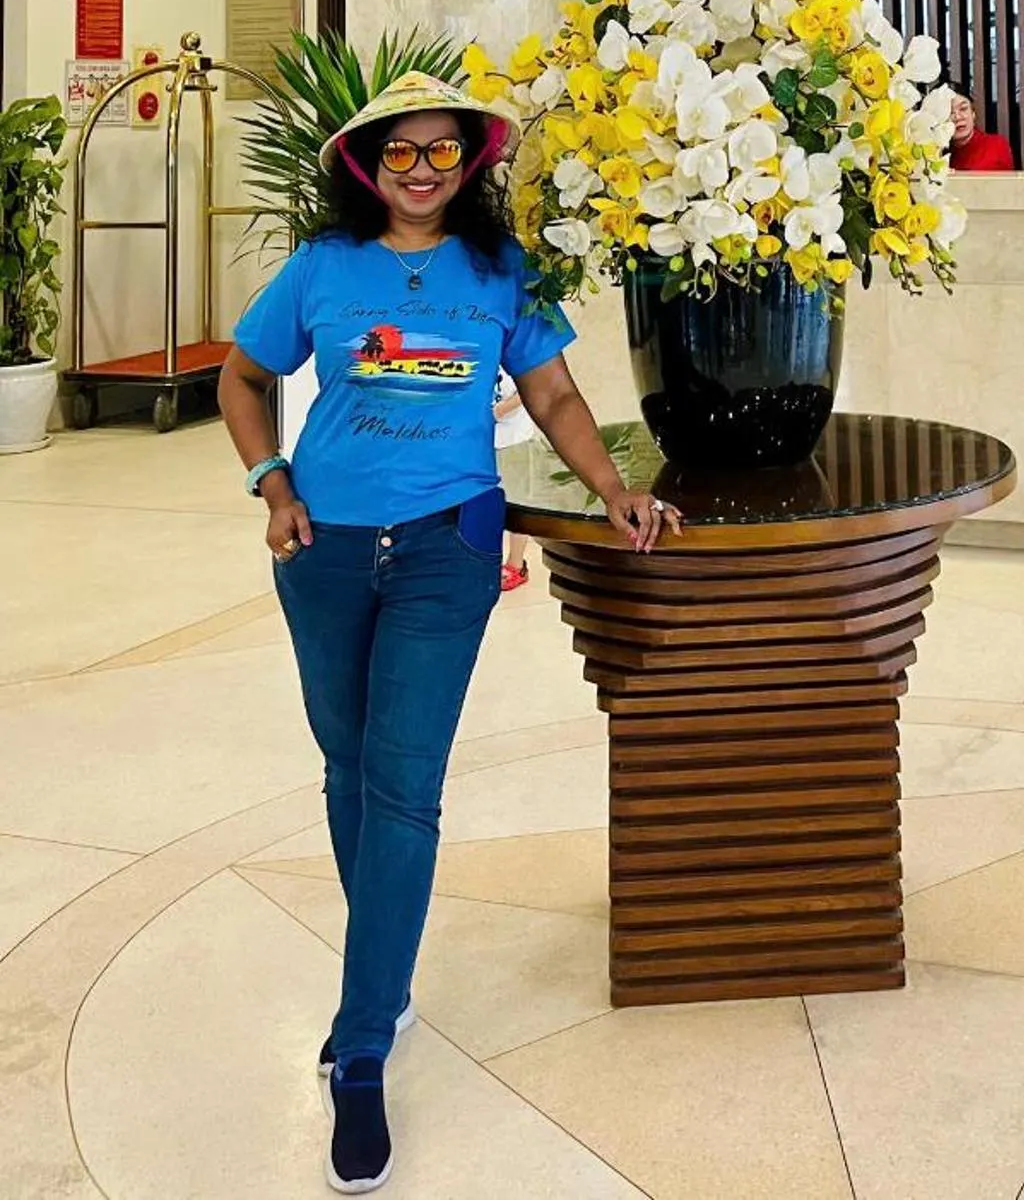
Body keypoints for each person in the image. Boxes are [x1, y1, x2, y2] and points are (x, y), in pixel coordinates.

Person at [217, 71, 678, 1196]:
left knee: (403, 782)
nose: (419, 169)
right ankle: (389, 968)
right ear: (364, 163)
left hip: (446, 546)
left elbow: (559, 398)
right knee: (345, 764)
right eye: (399, 152)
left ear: (468, 163)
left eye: (440, 152)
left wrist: (614, 486)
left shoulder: (499, 269)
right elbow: (241, 375)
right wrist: (272, 482)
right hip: (322, 545)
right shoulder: (322, 268)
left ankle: (362, 1039)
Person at [494, 372, 537, 591]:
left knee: (519, 501)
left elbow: (531, 386)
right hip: (479, 437)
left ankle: (516, 564)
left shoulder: (517, 344)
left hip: (515, 436)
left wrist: (500, 409)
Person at [949, 88, 1016, 173]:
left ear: (973, 113)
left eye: (963, 109)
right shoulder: (934, 154)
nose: (957, 117)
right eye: (949, 112)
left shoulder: (996, 145)